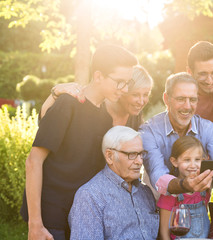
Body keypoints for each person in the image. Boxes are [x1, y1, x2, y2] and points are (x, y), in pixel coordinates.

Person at [20, 44, 138, 240]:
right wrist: (35, 225)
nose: (124, 89)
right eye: (119, 82)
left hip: (80, 217)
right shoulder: (68, 104)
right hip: (51, 216)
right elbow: (33, 161)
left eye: (128, 82)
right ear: (98, 76)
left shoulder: (105, 118)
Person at [140, 72, 213, 197]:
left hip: (196, 208)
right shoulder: (149, 131)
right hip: (155, 208)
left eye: (192, 100)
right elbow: (157, 174)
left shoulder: (209, 130)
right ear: (166, 99)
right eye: (180, 99)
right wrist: (184, 185)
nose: (187, 106)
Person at [68, 126, 159, 240]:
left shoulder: (145, 192)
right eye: (131, 154)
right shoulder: (90, 196)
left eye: (141, 154)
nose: (139, 161)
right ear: (109, 156)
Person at [40, 65, 153, 130]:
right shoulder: (95, 105)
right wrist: (55, 93)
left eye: (146, 95)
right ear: (123, 89)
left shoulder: (135, 117)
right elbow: (45, 122)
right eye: (135, 95)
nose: (141, 101)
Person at [158, 136, 211, 239]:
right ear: (174, 162)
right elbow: (164, 234)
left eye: (197, 159)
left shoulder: (204, 191)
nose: (193, 165)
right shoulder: (171, 194)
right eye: (187, 160)